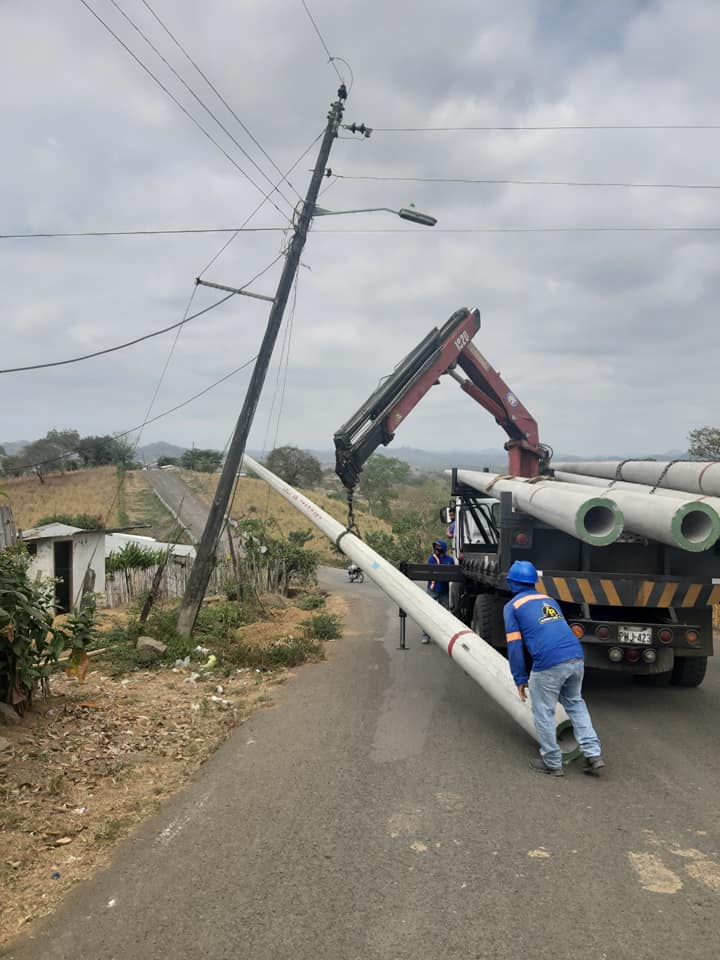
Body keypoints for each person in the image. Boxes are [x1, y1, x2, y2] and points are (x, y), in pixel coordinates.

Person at [503, 559, 604, 777]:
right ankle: (593, 754)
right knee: (575, 703)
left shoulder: (512, 606)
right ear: (534, 582)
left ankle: (551, 761)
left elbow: (514, 645)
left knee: (543, 711)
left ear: (511, 583)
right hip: (576, 656)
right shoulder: (549, 599)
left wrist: (519, 678)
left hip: (549, 661)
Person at [421, 539, 455, 644]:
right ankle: (425, 635)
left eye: (439, 547)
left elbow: (452, 572)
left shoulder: (449, 560)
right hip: (432, 589)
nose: (437, 549)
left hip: (444, 591)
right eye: (436, 547)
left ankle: (443, 636)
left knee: (444, 614)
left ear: (443, 548)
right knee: (427, 612)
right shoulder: (431, 559)